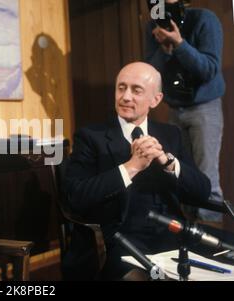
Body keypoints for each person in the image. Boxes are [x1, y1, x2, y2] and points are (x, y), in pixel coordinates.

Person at [63, 62, 211, 280]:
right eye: (121, 88)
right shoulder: (90, 137)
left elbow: (202, 191)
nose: (125, 97)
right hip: (119, 241)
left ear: (156, 99)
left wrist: (167, 161)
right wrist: (131, 167)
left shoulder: (171, 134)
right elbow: (76, 197)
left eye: (136, 90)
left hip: (171, 236)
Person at [145, 0, 225, 222]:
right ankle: (188, 237)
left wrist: (180, 44)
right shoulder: (153, 25)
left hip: (204, 107)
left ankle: (212, 244)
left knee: (207, 178)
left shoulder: (204, 20)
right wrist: (164, 49)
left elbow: (209, 69)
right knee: (178, 173)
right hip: (173, 108)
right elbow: (150, 71)